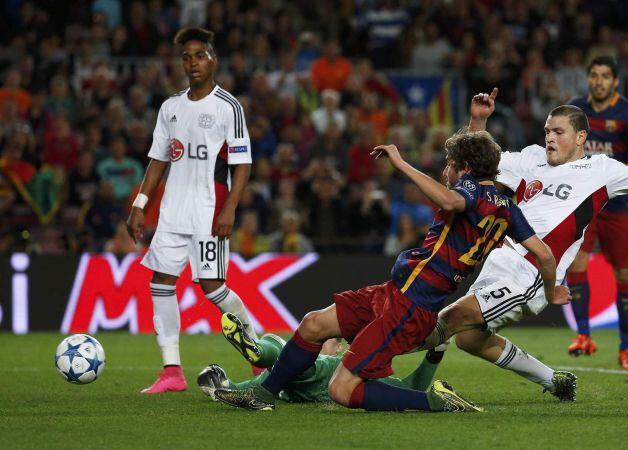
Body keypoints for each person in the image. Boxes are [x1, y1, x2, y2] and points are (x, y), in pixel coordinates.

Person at [414, 88, 628, 396]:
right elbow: (476, 164)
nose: (549, 138)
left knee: (449, 319)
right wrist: (478, 121)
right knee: (470, 339)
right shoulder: (530, 158)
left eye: (558, 132)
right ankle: (555, 381)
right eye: (547, 131)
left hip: (531, 273)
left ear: (580, 137)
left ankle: (385, 358)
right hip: (498, 261)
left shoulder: (602, 171)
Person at [214, 129, 560, 412]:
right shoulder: (508, 209)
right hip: (394, 293)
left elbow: (450, 200)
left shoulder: (468, 189)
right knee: (313, 324)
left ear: (464, 168)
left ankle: (435, 403)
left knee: (341, 389)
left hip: (410, 307)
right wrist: (549, 292)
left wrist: (400, 163)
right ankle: (262, 396)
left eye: (449, 165)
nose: (445, 172)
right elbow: (545, 257)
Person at [126, 27, 256, 394]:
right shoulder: (171, 107)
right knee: (160, 282)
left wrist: (230, 208)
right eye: (186, 57)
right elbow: (158, 160)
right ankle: (172, 372)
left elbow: (242, 164)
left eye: (200, 55)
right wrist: (140, 204)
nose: (192, 63)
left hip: (209, 211)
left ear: (214, 60)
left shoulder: (228, 106)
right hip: (172, 213)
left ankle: (258, 355)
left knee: (214, 289)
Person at [566, 56, 628, 370]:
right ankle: (583, 335)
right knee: (577, 262)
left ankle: (626, 348)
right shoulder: (575, 110)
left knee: (624, 274)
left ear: (615, 81)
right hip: (584, 203)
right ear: (588, 78)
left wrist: (616, 182)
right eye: (594, 75)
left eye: (604, 76)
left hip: (619, 205)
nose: (598, 81)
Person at [198, 315, 450, 405]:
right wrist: (218, 384)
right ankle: (259, 352)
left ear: (338, 347)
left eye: (324, 339)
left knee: (279, 347)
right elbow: (410, 388)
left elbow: (409, 387)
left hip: (313, 373)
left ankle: (259, 350)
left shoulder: (336, 362)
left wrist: (434, 354)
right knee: (280, 366)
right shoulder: (351, 374)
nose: (314, 344)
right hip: (301, 384)